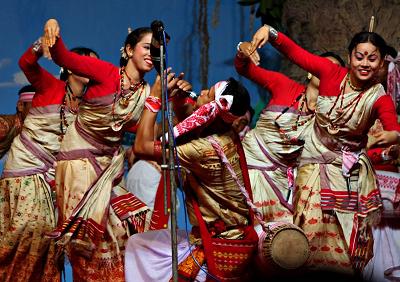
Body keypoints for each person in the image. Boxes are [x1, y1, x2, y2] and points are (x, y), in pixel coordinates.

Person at [247, 26, 400, 276]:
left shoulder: (378, 96)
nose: (364, 64)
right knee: (310, 237)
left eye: (372, 59)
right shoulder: (330, 72)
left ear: (381, 62)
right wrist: (270, 33)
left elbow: (391, 125)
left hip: (349, 177)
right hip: (312, 172)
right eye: (359, 56)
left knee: (348, 242)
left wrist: (393, 135)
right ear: (350, 56)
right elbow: (295, 52)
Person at [43, 18, 152, 281]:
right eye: (147, 47)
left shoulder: (146, 92)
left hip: (106, 168)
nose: (152, 54)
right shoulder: (104, 73)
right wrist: (53, 25)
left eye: (156, 49)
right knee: (89, 244)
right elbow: (63, 57)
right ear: (128, 50)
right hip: (78, 165)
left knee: (136, 221)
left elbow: (141, 133)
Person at [125, 74, 258, 281]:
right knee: (139, 243)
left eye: (208, 95)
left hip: (216, 243)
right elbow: (193, 122)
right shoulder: (226, 128)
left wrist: (155, 97)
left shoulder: (203, 149)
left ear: (212, 111)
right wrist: (179, 102)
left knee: (137, 247)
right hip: (229, 234)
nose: (202, 92)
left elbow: (141, 147)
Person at [0, 36, 98, 281]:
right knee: (27, 233)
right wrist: (40, 44)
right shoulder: (49, 86)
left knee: (48, 245)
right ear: (67, 66)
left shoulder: (88, 108)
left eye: (95, 65)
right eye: (83, 63)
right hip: (26, 173)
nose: (90, 69)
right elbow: (26, 63)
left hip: (55, 181)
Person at [235, 41, 345, 225]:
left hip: (281, 184)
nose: (327, 71)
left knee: (282, 242)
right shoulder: (283, 85)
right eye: (322, 66)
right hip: (245, 166)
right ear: (310, 70)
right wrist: (242, 51)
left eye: (334, 70)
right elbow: (244, 68)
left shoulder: (334, 117)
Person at [363, 46, 400, 282]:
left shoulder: (393, 109)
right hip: (365, 185)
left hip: (392, 193)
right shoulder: (358, 109)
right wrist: (383, 152)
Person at [0, 85, 34, 160]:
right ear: (21, 106)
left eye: (43, 108)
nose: (40, 112)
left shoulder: (30, 129)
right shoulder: (3, 126)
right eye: (35, 107)